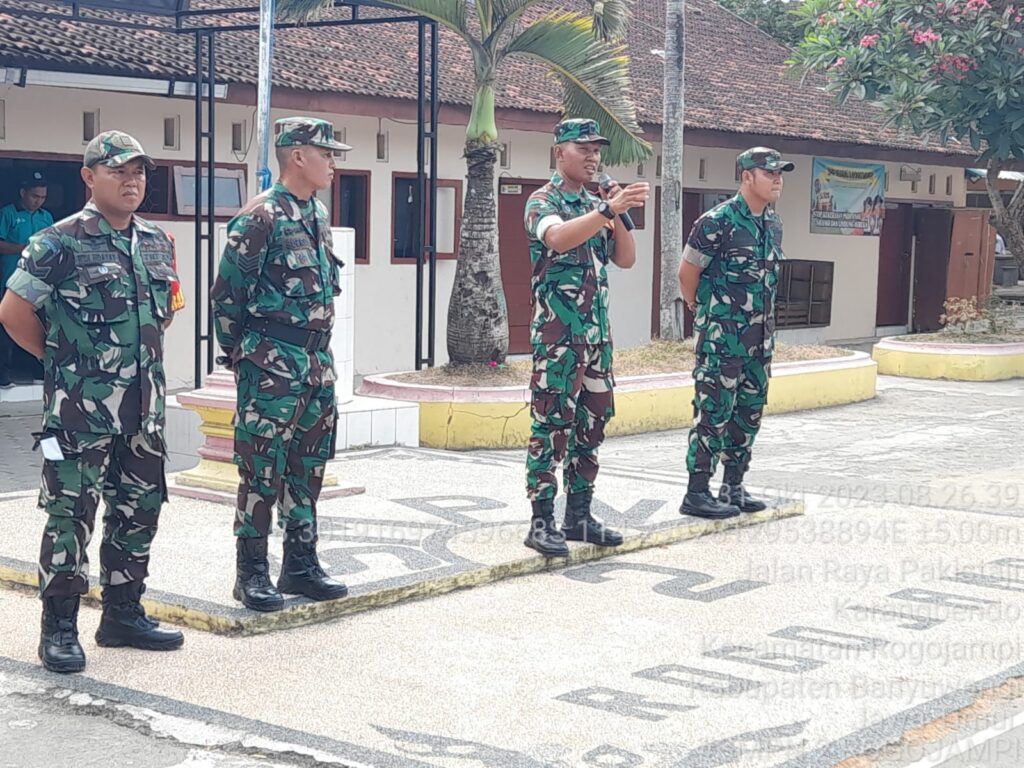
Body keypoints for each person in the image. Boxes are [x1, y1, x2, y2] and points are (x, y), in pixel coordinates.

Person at [0, 131, 185, 673]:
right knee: (69, 516)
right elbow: (13, 313)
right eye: (118, 171)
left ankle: (123, 614)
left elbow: (165, 312)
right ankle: (58, 628)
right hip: (80, 413)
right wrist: (62, 363)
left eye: (139, 172)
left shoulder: (156, 241)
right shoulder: (57, 242)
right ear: (88, 177)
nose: (132, 181)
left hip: (143, 412)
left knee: (138, 511)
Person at [211, 116, 351, 612]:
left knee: (307, 466)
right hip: (271, 362)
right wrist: (245, 358)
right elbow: (227, 297)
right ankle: (251, 572)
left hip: (316, 362)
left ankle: (301, 564)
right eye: (326, 154)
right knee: (261, 470)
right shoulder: (261, 217)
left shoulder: (316, 214)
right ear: (297, 156)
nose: (332, 163)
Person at [521, 118, 650, 557]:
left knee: (591, 425)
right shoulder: (544, 200)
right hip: (559, 339)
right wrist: (607, 212)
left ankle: (579, 515)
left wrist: (616, 211)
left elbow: (626, 259)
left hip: (596, 338)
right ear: (560, 152)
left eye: (597, 150)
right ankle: (541, 521)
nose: (593, 157)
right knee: (551, 426)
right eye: (583, 149)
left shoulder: (599, 203)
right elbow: (557, 238)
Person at [678, 147, 794, 520]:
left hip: (759, 341)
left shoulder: (772, 223)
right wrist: (703, 312)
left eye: (780, 173)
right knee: (712, 413)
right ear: (747, 177)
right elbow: (687, 273)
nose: (777, 180)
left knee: (749, 413)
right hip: (722, 340)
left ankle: (733, 486)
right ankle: (697, 491)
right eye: (770, 173)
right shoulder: (716, 221)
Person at [0, 172, 53, 388]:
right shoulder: (8, 214)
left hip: (40, 282)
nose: (38, 201)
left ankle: (40, 371)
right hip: (10, 280)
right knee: (6, 327)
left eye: (43, 197)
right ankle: (3, 374)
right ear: (23, 193)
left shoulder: (46, 217)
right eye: (34, 196)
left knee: (40, 325)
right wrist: (23, 249)